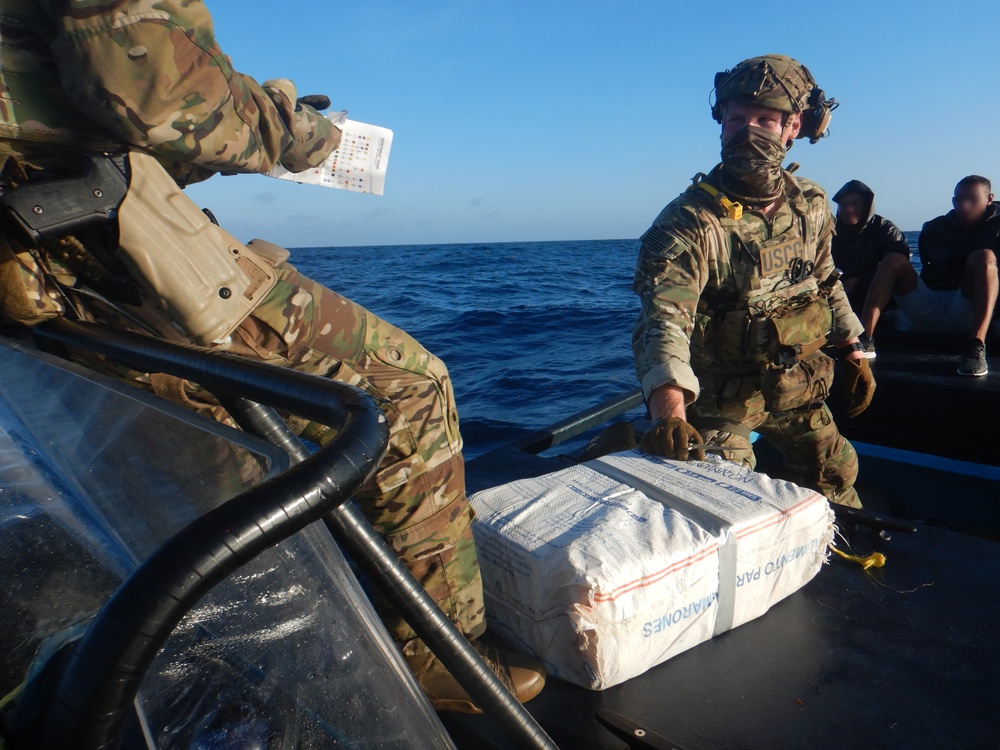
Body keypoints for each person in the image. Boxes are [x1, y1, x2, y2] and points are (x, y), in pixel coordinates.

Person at [0, 0, 543, 713]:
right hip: (90, 254)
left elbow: (94, 113)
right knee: (411, 390)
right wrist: (296, 131)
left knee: (203, 448)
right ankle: (443, 661)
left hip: (39, 277)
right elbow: (154, 96)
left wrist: (208, 142)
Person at [632, 54, 875, 508]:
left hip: (795, 385)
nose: (748, 131)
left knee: (838, 469)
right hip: (720, 401)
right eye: (737, 118)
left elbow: (825, 279)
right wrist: (669, 413)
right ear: (721, 124)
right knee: (723, 499)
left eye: (765, 119)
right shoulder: (690, 222)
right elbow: (663, 322)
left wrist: (852, 350)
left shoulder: (812, 203)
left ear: (794, 128)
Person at [860, 175, 999, 376]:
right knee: (893, 260)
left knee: (984, 257)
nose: (964, 206)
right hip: (931, 306)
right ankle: (864, 339)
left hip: (970, 309)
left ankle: (975, 346)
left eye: (972, 199)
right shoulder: (934, 228)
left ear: (989, 199)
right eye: (959, 199)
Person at [831, 179, 911, 356]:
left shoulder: (886, 230)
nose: (848, 209)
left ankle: (866, 337)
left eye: (855, 204)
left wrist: (858, 280)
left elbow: (896, 268)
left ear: (867, 205)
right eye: (844, 205)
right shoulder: (830, 232)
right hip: (841, 296)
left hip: (881, 300)